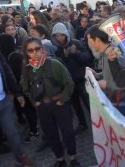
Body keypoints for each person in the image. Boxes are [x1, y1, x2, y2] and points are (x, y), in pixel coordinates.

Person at [20, 37, 81, 167]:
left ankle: (73, 157)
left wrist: (62, 100)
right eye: (30, 50)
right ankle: (60, 159)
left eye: (37, 49)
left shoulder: (54, 64)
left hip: (59, 103)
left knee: (67, 132)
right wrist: (34, 101)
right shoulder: (27, 68)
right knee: (50, 134)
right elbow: (25, 88)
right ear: (26, 53)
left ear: (42, 49)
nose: (34, 52)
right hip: (43, 107)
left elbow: (69, 83)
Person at [0, 31, 34, 167]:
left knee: (13, 133)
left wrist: (17, 92)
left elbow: (6, 70)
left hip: (3, 101)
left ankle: (20, 156)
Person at [51, 22, 91, 132]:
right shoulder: (56, 50)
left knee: (89, 104)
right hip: (69, 83)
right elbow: (58, 66)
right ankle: (82, 124)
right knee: (76, 105)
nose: (59, 38)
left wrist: (76, 53)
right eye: (56, 35)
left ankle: (98, 123)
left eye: (61, 35)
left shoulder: (76, 43)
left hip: (82, 80)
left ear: (65, 34)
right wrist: (64, 56)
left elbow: (87, 58)